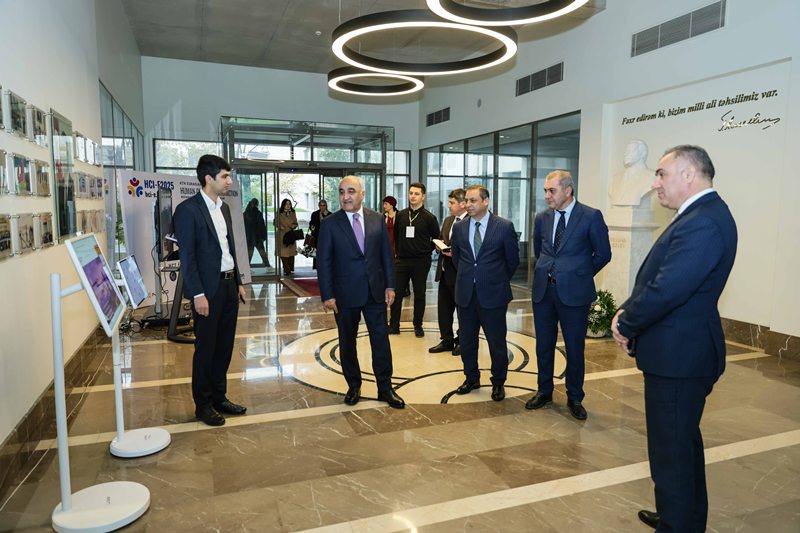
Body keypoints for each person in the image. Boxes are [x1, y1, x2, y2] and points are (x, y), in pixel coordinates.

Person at [610, 145, 737, 532]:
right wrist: (627, 311)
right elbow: (661, 278)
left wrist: (627, 323)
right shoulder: (700, 215)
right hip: (680, 353)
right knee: (682, 445)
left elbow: (668, 288)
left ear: (688, 174)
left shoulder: (704, 221)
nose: (656, 183)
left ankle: (677, 523)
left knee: (671, 455)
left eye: (662, 174)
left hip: (680, 357)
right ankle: (682, 518)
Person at [526, 170, 611, 420]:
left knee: (574, 348)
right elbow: (539, 249)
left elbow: (603, 254)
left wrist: (579, 274)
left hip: (574, 293)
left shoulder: (590, 216)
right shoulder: (542, 218)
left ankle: (574, 397)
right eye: (545, 190)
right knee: (543, 345)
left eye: (551, 190)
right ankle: (544, 391)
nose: (547, 195)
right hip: (544, 291)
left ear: (568, 190)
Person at [317, 176, 405, 409]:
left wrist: (390, 285)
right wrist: (327, 294)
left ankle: (385, 388)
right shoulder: (330, 224)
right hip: (344, 295)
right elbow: (324, 262)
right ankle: (353, 386)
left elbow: (386, 255)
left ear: (362, 194)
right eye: (342, 192)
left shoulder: (377, 219)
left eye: (351, 191)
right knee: (347, 342)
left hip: (375, 292)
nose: (345, 196)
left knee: (381, 341)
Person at [174, 154, 248, 427]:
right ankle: (203, 405)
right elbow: (188, 257)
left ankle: (219, 397)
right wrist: (197, 294)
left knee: (224, 346)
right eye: (225, 176)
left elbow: (229, 249)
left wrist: (238, 281)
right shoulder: (188, 210)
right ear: (209, 178)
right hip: (207, 290)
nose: (229, 181)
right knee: (206, 349)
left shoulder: (224, 208)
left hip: (228, 286)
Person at [450, 185, 518, 401]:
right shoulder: (459, 228)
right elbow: (457, 259)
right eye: (466, 201)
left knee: (496, 342)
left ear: (486, 201)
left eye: (473, 201)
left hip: (494, 295)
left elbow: (512, 261)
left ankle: (498, 382)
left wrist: (495, 279)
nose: (468, 205)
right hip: (466, 294)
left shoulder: (504, 227)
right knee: (467, 341)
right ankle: (471, 378)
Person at [388, 183, 440, 337]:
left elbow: (436, 239)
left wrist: (425, 250)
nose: (413, 196)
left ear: (423, 196)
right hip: (402, 261)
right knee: (397, 294)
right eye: (411, 193)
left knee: (419, 295)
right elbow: (396, 236)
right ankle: (394, 325)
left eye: (416, 194)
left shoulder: (429, 218)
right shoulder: (401, 215)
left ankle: (418, 325)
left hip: (421, 262)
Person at [428, 188, 467, 356]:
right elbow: (442, 238)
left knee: (463, 311)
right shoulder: (448, 220)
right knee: (444, 310)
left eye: (452, 203)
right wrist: (439, 246)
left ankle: (463, 341)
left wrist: (455, 253)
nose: (449, 205)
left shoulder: (470, 222)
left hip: (460, 274)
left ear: (463, 204)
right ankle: (447, 340)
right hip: (444, 272)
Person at [609, 139, 655, 207]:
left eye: (630, 151)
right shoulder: (615, 178)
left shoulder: (652, 176)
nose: (625, 154)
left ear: (642, 154)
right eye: (625, 151)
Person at [243, 198, 271, 268]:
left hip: (249, 237)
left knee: (249, 254)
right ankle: (268, 267)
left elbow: (243, 227)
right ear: (257, 204)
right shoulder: (258, 213)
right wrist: (264, 237)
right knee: (263, 254)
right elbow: (262, 226)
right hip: (258, 237)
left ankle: (246, 268)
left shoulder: (245, 214)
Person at [276, 198, 298, 275]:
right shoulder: (279, 212)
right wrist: (280, 226)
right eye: (286, 204)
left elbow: (295, 222)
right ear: (283, 205)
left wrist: (294, 225)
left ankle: (290, 268)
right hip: (282, 235)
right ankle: (286, 269)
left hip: (291, 234)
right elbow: (275, 222)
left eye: (289, 204)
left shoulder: (293, 212)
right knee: (283, 253)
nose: (288, 205)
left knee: (291, 253)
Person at [309, 199, 331, 269]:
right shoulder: (315, 214)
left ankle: (326, 266)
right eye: (321, 205)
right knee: (317, 253)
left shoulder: (330, 214)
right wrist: (312, 227)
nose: (322, 207)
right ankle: (317, 266)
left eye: (324, 205)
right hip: (317, 236)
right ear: (319, 206)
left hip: (327, 237)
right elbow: (311, 224)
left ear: (326, 206)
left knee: (326, 252)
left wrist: (324, 217)